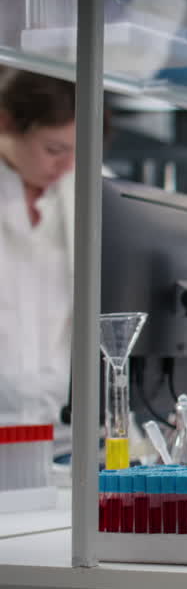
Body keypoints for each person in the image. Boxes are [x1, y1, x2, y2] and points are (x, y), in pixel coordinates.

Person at [0, 68, 77, 445]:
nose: (68, 165)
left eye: (78, 151)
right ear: (6, 125)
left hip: (64, 439)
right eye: (54, 149)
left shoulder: (80, 198)